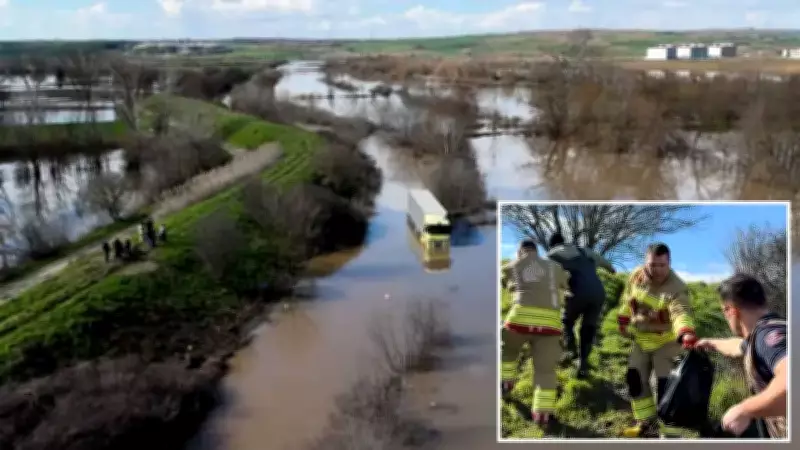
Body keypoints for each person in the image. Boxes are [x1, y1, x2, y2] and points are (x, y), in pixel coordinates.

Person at [617, 243, 697, 438]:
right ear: (646, 262)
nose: (658, 270)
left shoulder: (677, 287)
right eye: (653, 265)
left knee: (666, 388)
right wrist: (623, 320)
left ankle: (669, 433)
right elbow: (629, 299)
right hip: (641, 339)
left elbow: (680, 312)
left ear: (669, 263)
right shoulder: (637, 275)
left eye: (662, 265)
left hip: (666, 342)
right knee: (635, 379)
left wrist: (685, 332)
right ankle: (645, 423)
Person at [694, 273, 787, 439]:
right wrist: (711, 343)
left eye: (723, 311)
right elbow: (740, 346)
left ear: (731, 310)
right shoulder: (769, 331)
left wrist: (745, 410)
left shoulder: (769, 336)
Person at [500, 239, 571, 428]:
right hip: (550, 325)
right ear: (536, 251)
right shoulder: (554, 267)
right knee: (545, 370)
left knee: (508, 353)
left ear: (519, 251)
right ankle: (542, 414)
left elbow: (505, 284)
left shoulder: (510, 266)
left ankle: (506, 383)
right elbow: (566, 283)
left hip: (519, 321)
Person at [546, 232, 616, 378]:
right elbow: (608, 266)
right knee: (588, 327)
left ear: (552, 244)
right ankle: (583, 363)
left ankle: (571, 349)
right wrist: (612, 271)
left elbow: (543, 269)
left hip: (577, 291)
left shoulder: (554, 252)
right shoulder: (585, 251)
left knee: (567, 321)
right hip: (598, 293)